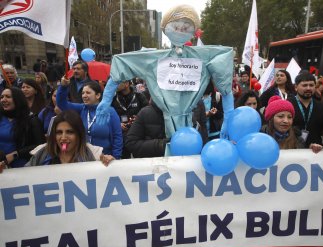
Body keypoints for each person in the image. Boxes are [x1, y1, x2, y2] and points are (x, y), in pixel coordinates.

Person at [96, 4, 235, 143]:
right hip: (165, 124)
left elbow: (224, 74)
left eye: (185, 27)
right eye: (175, 27)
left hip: (190, 121)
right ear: (165, 29)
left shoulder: (202, 56)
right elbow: (122, 64)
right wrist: (106, 100)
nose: (180, 30)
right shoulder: (154, 59)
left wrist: (229, 116)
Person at [57, 77, 122, 159]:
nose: (84, 96)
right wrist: (63, 86)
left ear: (98, 95)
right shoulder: (82, 108)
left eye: (88, 93)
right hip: (83, 158)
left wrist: (115, 157)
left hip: (105, 159)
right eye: (83, 93)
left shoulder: (110, 111)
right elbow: (61, 104)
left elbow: (117, 136)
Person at [25, 110, 114, 166]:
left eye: (70, 132)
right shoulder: (42, 154)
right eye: (59, 132)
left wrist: (110, 163)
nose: (63, 137)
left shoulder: (93, 154)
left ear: (79, 134)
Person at [0, 87, 45, 171]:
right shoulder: (1, 118)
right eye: (1, 97)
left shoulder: (31, 120)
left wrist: (16, 154)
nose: (3, 100)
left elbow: (40, 146)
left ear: (18, 100)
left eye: (8, 97)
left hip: (21, 168)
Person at [288, 72, 323, 148]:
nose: (308, 88)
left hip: (316, 151)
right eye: (304, 85)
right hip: (293, 151)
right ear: (296, 87)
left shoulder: (321, 106)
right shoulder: (288, 104)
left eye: (311, 85)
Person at [111, 79, 148, 158]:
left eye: (118, 82)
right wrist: (118, 124)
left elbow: (147, 112)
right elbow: (109, 115)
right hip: (121, 134)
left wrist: (138, 119)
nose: (116, 85)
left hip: (137, 134)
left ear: (127, 83)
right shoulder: (113, 98)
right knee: (124, 160)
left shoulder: (139, 96)